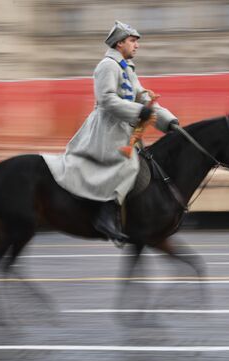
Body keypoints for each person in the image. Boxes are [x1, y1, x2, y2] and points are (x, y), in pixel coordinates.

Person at [43, 20, 179, 245]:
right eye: (132, 41)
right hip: (106, 130)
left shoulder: (127, 68)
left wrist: (169, 121)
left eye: (136, 42)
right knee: (129, 165)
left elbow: (143, 97)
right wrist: (140, 111)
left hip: (122, 130)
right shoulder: (107, 65)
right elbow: (106, 99)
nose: (137, 46)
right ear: (119, 44)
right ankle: (105, 216)